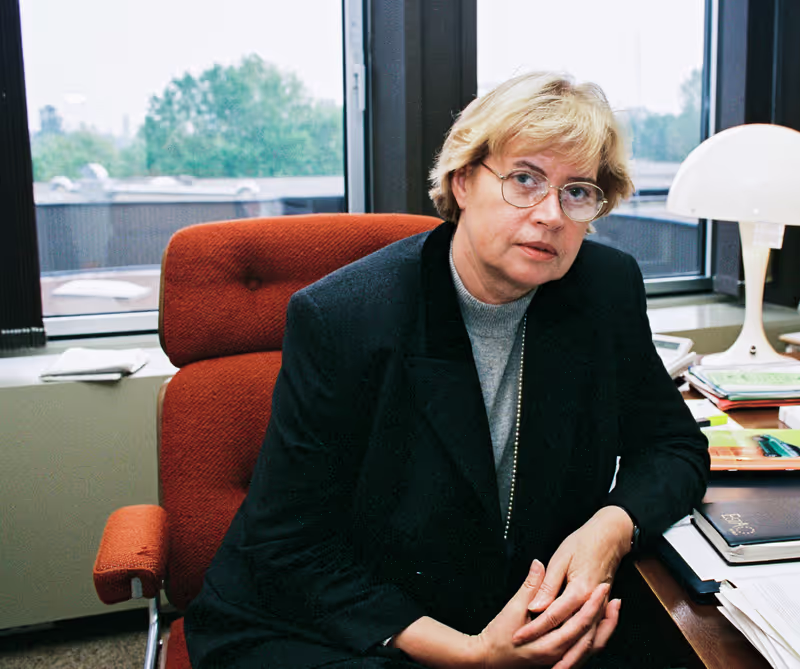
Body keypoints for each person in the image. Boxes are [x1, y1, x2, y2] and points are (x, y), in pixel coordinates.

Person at [185, 72, 709, 668]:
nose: (550, 215)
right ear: (462, 181)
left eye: (578, 191)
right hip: (348, 620)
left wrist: (611, 529)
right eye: (524, 180)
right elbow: (289, 547)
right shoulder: (344, 317)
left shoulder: (604, 288)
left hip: (515, 606)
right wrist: (472, 656)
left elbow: (673, 446)